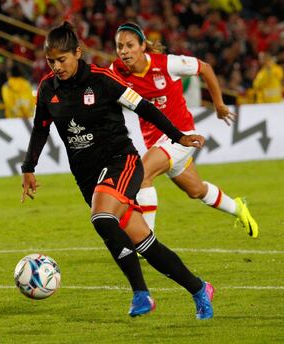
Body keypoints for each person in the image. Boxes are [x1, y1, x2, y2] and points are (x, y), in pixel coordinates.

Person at [21, 22, 214, 320]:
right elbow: (40, 128)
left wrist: (178, 137)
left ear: (77, 53)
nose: (56, 67)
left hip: (120, 161)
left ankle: (141, 294)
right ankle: (199, 288)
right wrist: (28, 167)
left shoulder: (102, 80)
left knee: (101, 216)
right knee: (145, 244)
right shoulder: (48, 89)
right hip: (86, 176)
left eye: (62, 60)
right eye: (51, 61)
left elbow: (144, 108)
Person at [111, 22, 258, 238]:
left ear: (143, 45)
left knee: (141, 175)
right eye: (119, 46)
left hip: (181, 136)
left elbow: (205, 68)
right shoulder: (117, 70)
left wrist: (219, 105)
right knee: (196, 190)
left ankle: (146, 240)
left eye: (130, 45)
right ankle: (238, 208)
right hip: (156, 142)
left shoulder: (168, 64)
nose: (124, 51)